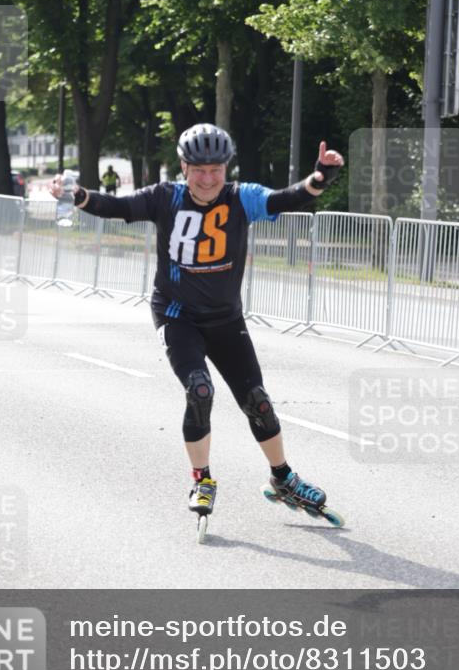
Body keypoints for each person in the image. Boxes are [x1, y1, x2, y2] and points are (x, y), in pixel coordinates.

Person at [50, 124, 344, 520]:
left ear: (226, 168)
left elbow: (287, 199)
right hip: (177, 315)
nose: (208, 179)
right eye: (199, 170)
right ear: (184, 167)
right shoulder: (164, 197)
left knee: (257, 400)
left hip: (225, 319)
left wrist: (321, 176)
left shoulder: (243, 198)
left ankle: (283, 477)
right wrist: (79, 195)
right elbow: (117, 207)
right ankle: (202, 478)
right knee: (199, 390)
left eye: (216, 170)